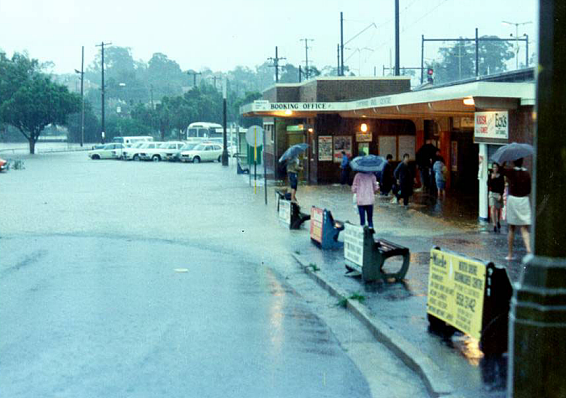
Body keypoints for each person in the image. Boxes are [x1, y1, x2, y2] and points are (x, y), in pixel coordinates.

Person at [501, 158, 532, 260]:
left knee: (512, 228)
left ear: (513, 162)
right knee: (524, 228)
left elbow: (501, 170)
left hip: (513, 200)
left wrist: (505, 160)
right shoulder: (526, 173)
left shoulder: (511, 172)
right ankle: (529, 249)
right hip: (523, 200)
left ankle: (510, 254)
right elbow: (529, 190)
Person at [487, 162, 505, 233]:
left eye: (496, 167)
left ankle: (498, 221)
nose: (495, 168)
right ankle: (494, 225)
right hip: (492, 193)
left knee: (498, 209)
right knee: (493, 207)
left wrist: (501, 194)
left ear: (498, 168)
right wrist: (491, 178)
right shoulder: (490, 175)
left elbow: (502, 186)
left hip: (498, 194)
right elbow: (488, 184)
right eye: (494, 167)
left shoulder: (501, 176)